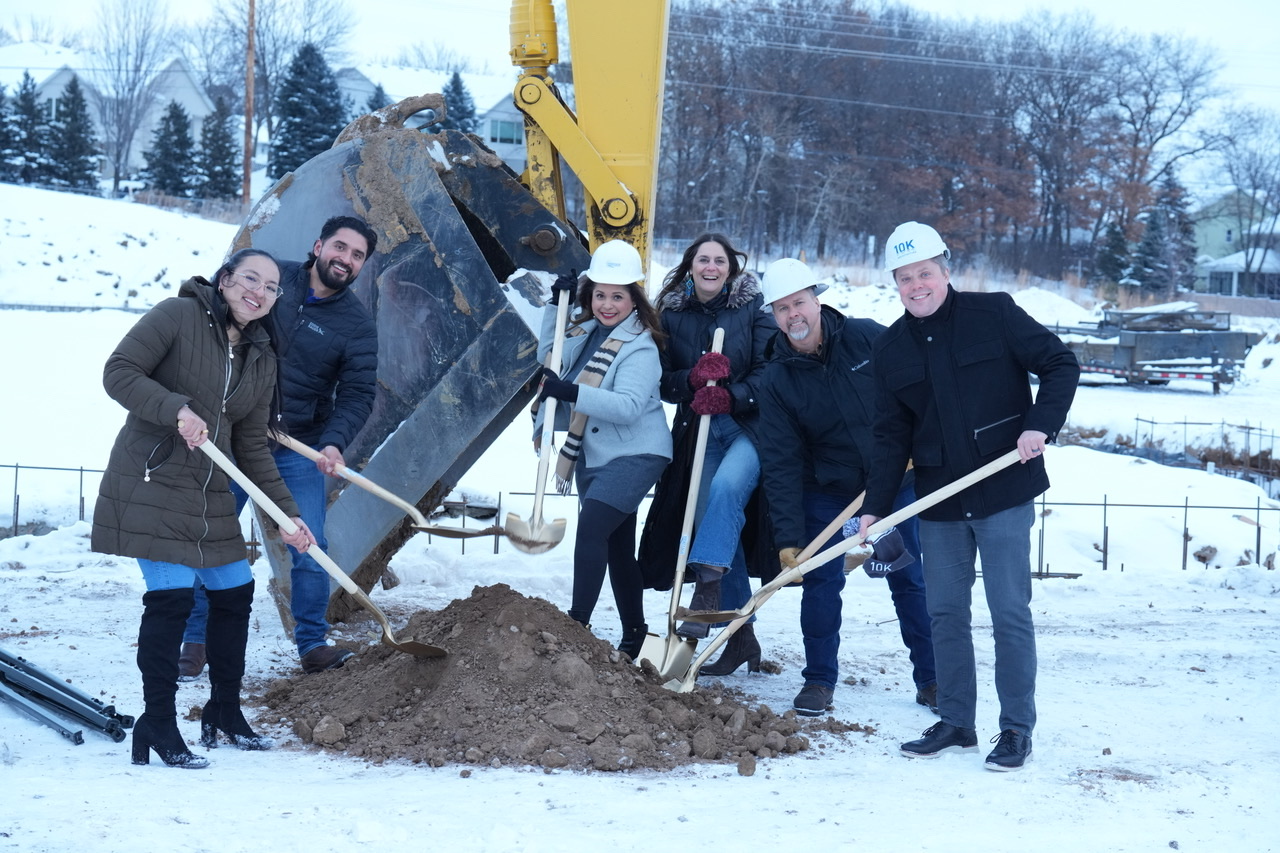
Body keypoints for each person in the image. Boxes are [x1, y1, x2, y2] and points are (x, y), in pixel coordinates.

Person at [858, 221, 1079, 772]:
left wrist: (1040, 424)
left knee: (1009, 612)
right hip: (940, 499)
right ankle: (957, 722)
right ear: (895, 283)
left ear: (945, 270)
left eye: (924, 273)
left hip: (1004, 487)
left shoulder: (993, 313)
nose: (917, 286)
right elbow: (890, 437)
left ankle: (1016, 729)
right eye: (905, 278)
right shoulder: (890, 349)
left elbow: (1059, 364)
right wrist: (876, 507)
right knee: (945, 613)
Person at [93, 249, 316, 768]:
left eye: (271, 287)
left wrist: (287, 515)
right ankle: (158, 722)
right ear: (225, 279)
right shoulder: (178, 315)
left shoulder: (261, 355)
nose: (258, 292)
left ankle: (224, 711)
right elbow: (118, 372)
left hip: (209, 493)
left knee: (235, 591)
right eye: (250, 279)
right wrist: (176, 409)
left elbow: (252, 448)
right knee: (172, 598)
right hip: (153, 479)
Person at [180, 215, 379, 677]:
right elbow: (215, 319)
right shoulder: (271, 281)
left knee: (311, 544)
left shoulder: (356, 325)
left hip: (297, 447)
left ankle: (312, 643)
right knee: (210, 533)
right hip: (233, 437)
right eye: (340, 247)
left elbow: (357, 395)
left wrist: (334, 444)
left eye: (357, 255)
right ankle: (195, 638)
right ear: (319, 245)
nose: (346, 259)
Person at [757, 258, 936, 717]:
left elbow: (918, 387)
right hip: (828, 492)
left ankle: (933, 678)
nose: (793, 315)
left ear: (817, 301)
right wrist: (788, 538)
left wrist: (918, 443)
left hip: (893, 482)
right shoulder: (776, 379)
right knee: (821, 582)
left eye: (799, 303)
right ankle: (818, 680)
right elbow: (780, 461)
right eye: (782, 308)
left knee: (909, 578)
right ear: (773, 316)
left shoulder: (868, 336)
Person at [638, 233, 775, 676]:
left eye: (719, 260)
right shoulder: (671, 314)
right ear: (690, 265)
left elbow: (770, 371)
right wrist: (692, 381)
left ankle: (706, 593)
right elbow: (662, 380)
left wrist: (732, 396)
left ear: (731, 267)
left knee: (726, 488)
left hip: (748, 428)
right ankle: (741, 638)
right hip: (698, 431)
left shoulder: (753, 309)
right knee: (715, 524)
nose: (711, 267)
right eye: (703, 260)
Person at [535, 240, 672, 659]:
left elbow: (628, 407)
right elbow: (551, 357)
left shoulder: (641, 345)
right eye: (599, 295)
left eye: (617, 296)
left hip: (637, 453)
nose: (607, 305)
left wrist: (571, 392)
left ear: (634, 300)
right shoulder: (585, 332)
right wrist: (555, 307)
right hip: (594, 454)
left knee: (592, 529)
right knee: (616, 548)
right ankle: (635, 633)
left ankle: (576, 624)